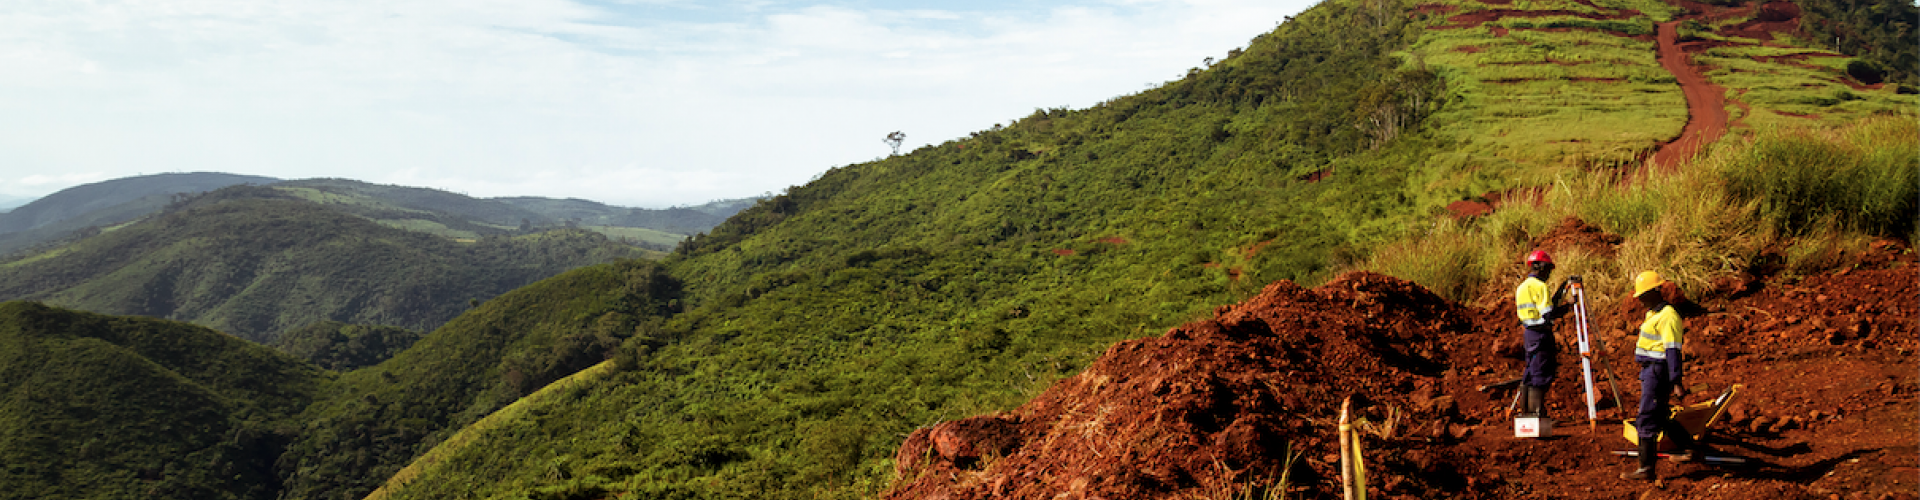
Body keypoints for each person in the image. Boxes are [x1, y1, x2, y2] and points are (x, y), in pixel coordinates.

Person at [1620, 270, 1707, 481]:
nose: (1639, 299)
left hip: (1658, 371)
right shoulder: (1654, 313)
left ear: (1655, 291)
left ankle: (1646, 468)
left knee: (1647, 419)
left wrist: (1676, 380)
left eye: (1642, 295)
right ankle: (1690, 447)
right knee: (1660, 415)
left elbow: (1672, 350)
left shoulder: (1668, 316)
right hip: (1651, 369)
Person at [1512, 250, 1577, 419]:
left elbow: (1546, 306)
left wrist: (1562, 288)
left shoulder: (1522, 287)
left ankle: (1526, 413)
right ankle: (1537, 414)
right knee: (1540, 373)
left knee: (1530, 372)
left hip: (1529, 334)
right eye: (1548, 270)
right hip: (1541, 335)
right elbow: (1549, 314)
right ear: (1541, 267)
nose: (1549, 274)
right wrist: (1568, 306)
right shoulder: (1541, 287)